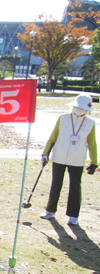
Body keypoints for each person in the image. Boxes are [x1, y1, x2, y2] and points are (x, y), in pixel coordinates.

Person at [40, 94, 97, 226]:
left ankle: (73, 215)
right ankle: (50, 211)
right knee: (56, 184)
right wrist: (45, 153)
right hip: (59, 156)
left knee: (75, 187)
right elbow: (53, 137)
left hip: (77, 159)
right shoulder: (63, 118)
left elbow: (92, 144)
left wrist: (94, 162)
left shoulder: (90, 123)